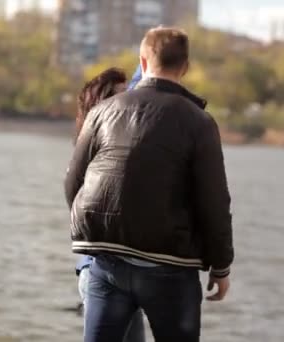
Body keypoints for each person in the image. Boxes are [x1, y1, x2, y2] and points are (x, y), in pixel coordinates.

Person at [65, 27, 234, 342]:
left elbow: (73, 182)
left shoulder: (102, 112)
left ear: (143, 61)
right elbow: (214, 202)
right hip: (170, 268)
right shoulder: (199, 122)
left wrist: (96, 232)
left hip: (107, 266)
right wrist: (221, 267)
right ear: (185, 67)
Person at [74, 67, 146, 342]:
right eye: (121, 95)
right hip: (101, 275)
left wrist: (148, 58)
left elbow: (142, 87)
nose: (128, 100)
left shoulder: (103, 139)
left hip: (119, 274)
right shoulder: (103, 150)